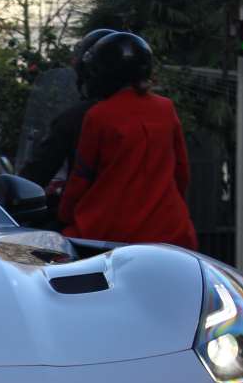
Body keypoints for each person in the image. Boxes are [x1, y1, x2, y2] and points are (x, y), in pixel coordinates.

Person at [57, 32, 198, 249]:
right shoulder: (165, 108)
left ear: (102, 72)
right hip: (171, 231)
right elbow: (182, 172)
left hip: (110, 232)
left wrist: (65, 213)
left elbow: (82, 177)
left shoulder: (99, 115)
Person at [22, 28, 117, 198]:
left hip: (97, 218)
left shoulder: (80, 118)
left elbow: (35, 176)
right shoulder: (163, 110)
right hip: (165, 218)